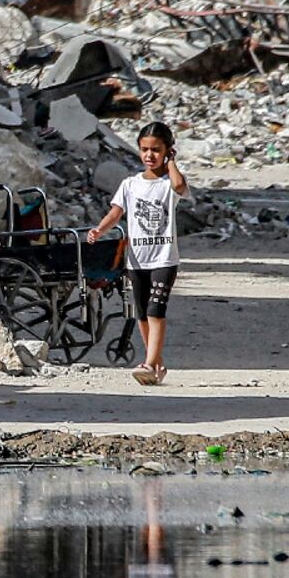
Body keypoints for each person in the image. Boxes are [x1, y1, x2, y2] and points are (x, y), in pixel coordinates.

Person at [87, 122, 190, 386]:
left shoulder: (168, 183)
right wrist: (99, 230)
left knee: (157, 309)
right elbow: (116, 212)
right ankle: (155, 363)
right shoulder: (130, 184)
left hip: (164, 259)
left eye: (156, 150)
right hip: (137, 259)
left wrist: (172, 163)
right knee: (142, 314)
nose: (149, 155)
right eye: (145, 149)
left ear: (167, 150)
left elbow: (180, 187)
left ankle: (148, 363)